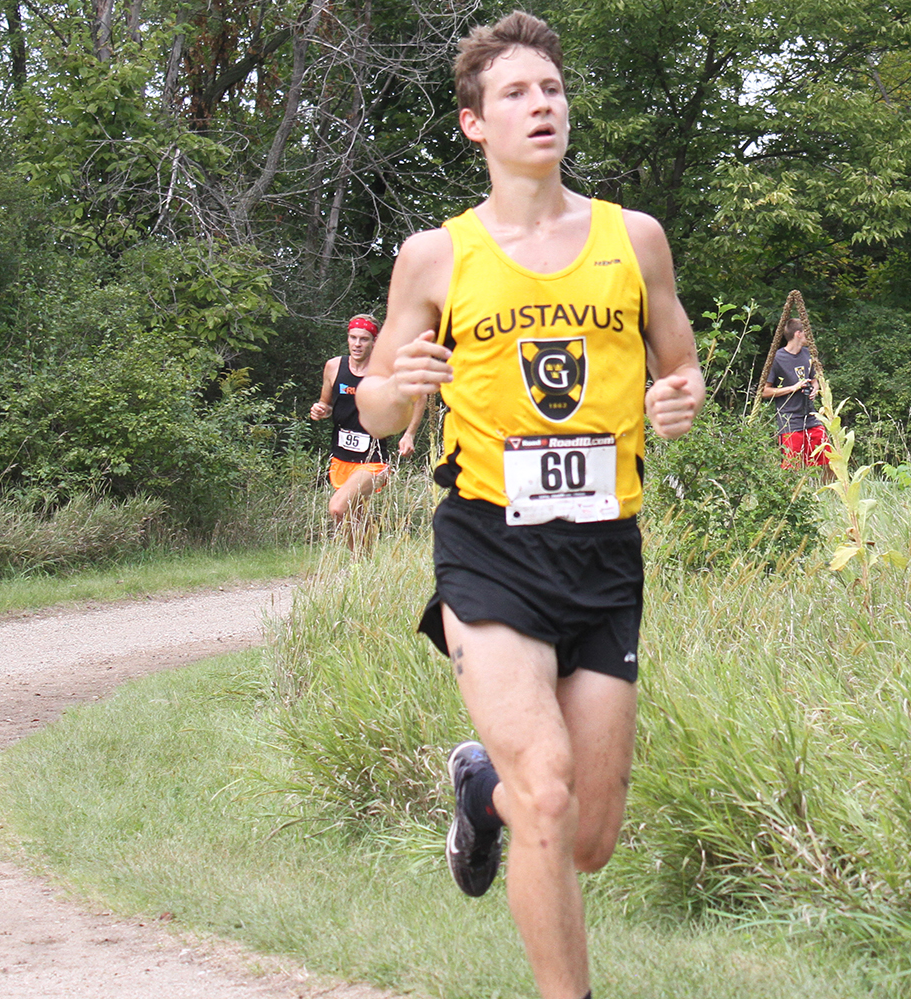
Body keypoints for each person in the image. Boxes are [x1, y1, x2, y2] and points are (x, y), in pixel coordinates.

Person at [356, 12, 704, 999]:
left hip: (604, 551)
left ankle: (482, 790)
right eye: (515, 93)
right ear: (475, 124)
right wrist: (403, 380)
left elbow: (680, 369)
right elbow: (379, 407)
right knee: (547, 789)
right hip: (490, 544)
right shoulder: (436, 256)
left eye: (549, 90)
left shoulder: (633, 239)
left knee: (587, 837)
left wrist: (679, 398)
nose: (540, 105)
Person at [309, 314, 424, 542]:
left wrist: (409, 434)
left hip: (373, 459)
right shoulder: (333, 367)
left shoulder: (384, 370)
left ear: (374, 341)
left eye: (364, 339)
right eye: (353, 338)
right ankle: (361, 567)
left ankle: (360, 565)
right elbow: (326, 404)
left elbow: (419, 396)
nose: (357, 344)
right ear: (348, 338)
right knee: (354, 515)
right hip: (341, 457)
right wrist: (320, 410)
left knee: (338, 508)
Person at [762, 318, 832, 473]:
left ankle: (830, 495)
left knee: (830, 460)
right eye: (807, 332)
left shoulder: (808, 354)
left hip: (811, 416)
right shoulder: (776, 358)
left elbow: (815, 379)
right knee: (791, 467)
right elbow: (764, 391)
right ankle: (791, 496)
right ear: (798, 334)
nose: (811, 336)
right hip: (789, 419)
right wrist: (792, 388)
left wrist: (814, 388)